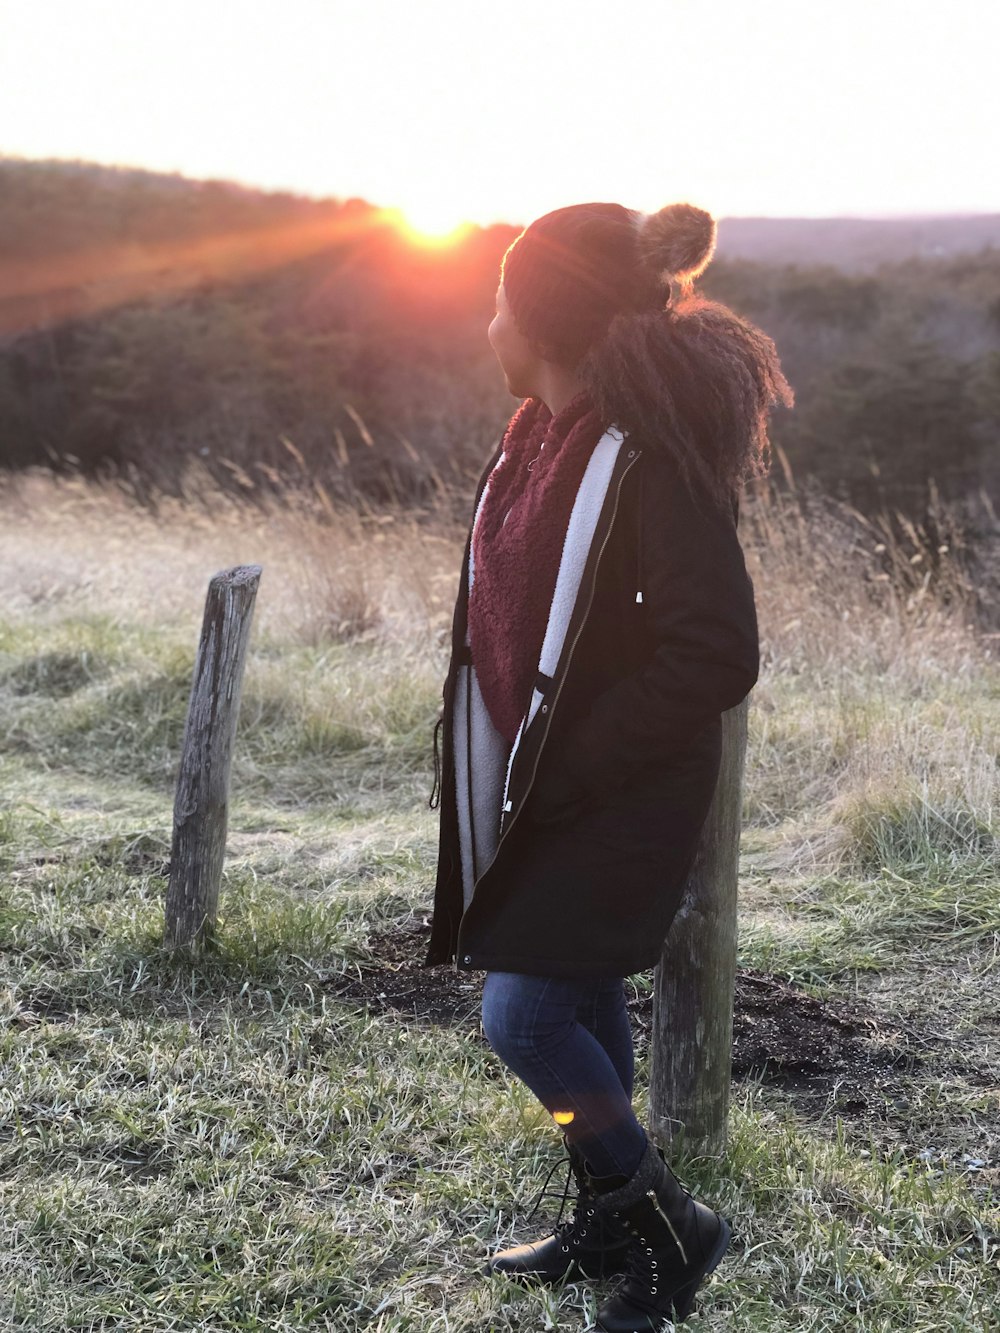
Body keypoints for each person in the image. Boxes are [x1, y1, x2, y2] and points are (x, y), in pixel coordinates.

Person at [424, 200, 792, 1331]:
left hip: (611, 793)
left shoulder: (640, 465)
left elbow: (717, 648)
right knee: (579, 994)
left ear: (540, 321)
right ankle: (603, 1208)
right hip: (553, 788)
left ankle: (671, 1227)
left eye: (498, 301)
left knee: (523, 1020)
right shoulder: (541, 441)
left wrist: (577, 758)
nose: (486, 322)